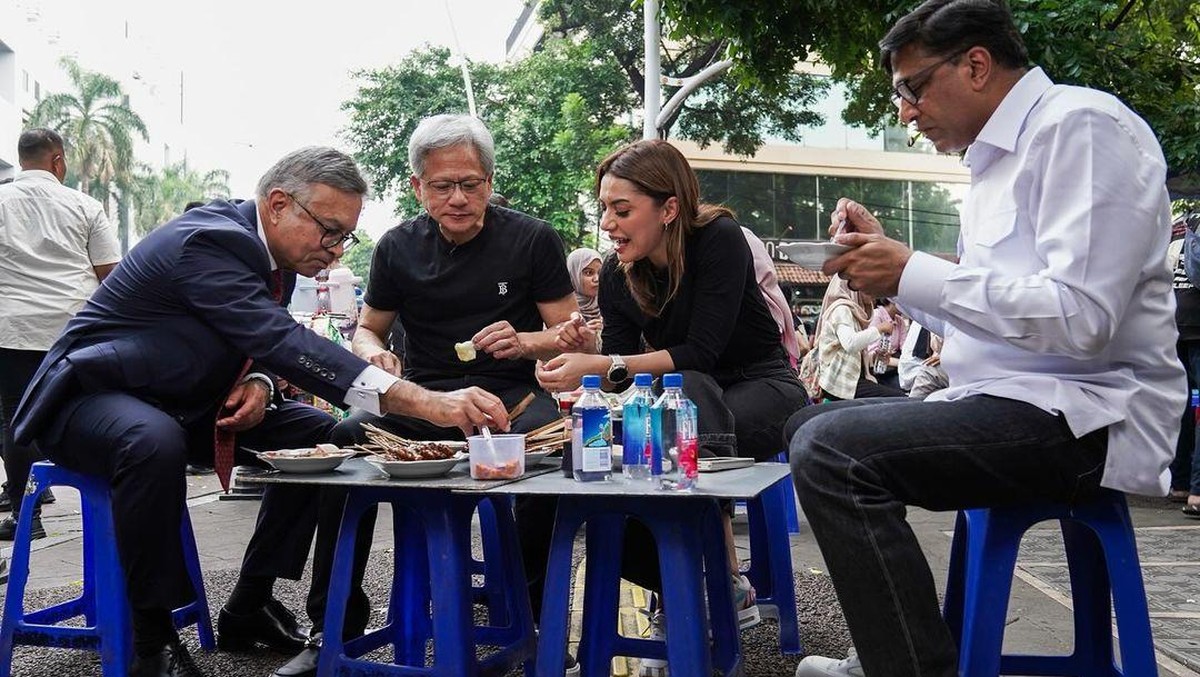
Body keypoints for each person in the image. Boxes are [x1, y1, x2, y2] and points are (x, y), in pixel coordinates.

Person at [787, 2, 1185, 676]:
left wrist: (914, 269)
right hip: (1009, 394)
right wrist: (892, 267)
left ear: (976, 64)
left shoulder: (1079, 127)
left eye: (912, 88)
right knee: (805, 421)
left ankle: (911, 666)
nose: (906, 112)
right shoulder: (992, 165)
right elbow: (981, 313)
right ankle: (897, 646)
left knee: (832, 453)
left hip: (1089, 411)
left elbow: (1083, 317)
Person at [12, 147, 510, 677]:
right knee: (151, 440)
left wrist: (258, 379)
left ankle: (251, 604)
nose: (337, 251)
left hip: (186, 403)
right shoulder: (208, 241)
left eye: (346, 236)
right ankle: (150, 642)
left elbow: (257, 343)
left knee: (337, 437)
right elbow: (279, 335)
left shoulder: (281, 258)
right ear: (278, 204)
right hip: (91, 397)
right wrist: (426, 402)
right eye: (330, 231)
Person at [282, 114, 576, 677]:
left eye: (471, 184)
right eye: (442, 186)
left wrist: (525, 341)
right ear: (418, 187)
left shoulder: (531, 238)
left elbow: (566, 335)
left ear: (491, 181)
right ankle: (333, 626)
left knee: (550, 461)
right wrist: (373, 352)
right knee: (339, 447)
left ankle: (535, 621)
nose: (459, 198)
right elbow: (370, 327)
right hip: (423, 399)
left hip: (510, 400)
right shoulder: (396, 247)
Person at [539, 138, 811, 675]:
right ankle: (694, 583)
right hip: (687, 403)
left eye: (622, 210)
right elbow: (618, 377)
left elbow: (699, 353)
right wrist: (585, 359)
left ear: (668, 209)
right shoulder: (619, 273)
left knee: (687, 393)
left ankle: (703, 586)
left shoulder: (719, 238)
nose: (609, 224)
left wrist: (604, 365)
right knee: (621, 453)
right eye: (604, 210)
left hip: (763, 387)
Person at [0, 128, 120, 541]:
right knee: (83, 412)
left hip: (12, 329)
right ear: (58, 161)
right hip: (74, 331)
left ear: (21, 159)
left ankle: (26, 516)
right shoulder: (85, 205)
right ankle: (102, 511)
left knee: (17, 418)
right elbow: (110, 277)